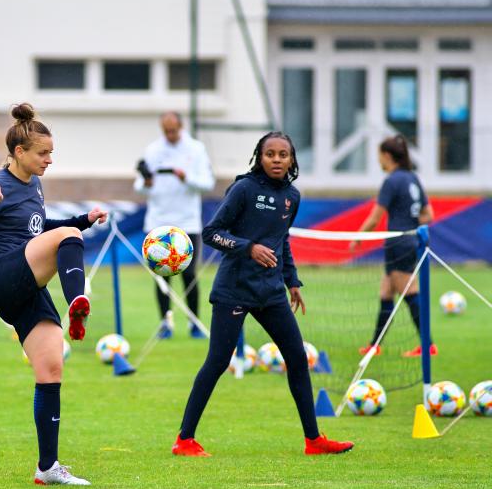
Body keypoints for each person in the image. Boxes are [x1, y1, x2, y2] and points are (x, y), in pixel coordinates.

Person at [172, 132, 354, 457]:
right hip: (234, 290)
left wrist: (292, 281)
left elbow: (281, 239)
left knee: (298, 359)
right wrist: (248, 248)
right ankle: (184, 439)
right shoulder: (243, 189)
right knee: (217, 361)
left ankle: (314, 441)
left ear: (292, 160)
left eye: (283, 154)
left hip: (270, 292)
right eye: (270, 154)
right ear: (260, 156)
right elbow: (213, 233)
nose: (276, 159)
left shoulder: (292, 197)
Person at [0, 103, 108, 486]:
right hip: (3, 274)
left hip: (28, 282)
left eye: (52, 153)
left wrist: (83, 221)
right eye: (43, 153)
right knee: (66, 241)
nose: (49, 160)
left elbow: (42, 227)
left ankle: (47, 468)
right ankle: (77, 301)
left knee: (50, 369)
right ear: (19, 153)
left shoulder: (34, 184)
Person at [352, 134, 436, 358]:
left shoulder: (392, 181)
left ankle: (428, 345)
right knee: (386, 292)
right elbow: (429, 214)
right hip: (409, 240)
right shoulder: (412, 178)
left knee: (409, 292)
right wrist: (410, 224)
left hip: (398, 242)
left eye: (379, 155)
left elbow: (374, 217)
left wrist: (357, 237)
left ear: (387, 156)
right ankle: (374, 345)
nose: (379, 160)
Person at [134, 111, 215, 339]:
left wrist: (185, 178)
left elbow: (208, 183)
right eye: (166, 131)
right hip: (158, 222)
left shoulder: (196, 149)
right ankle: (165, 323)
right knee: (162, 275)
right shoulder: (153, 150)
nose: (170, 135)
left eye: (173, 130)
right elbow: (140, 186)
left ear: (181, 127)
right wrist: (147, 181)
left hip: (187, 223)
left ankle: (194, 322)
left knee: (189, 273)